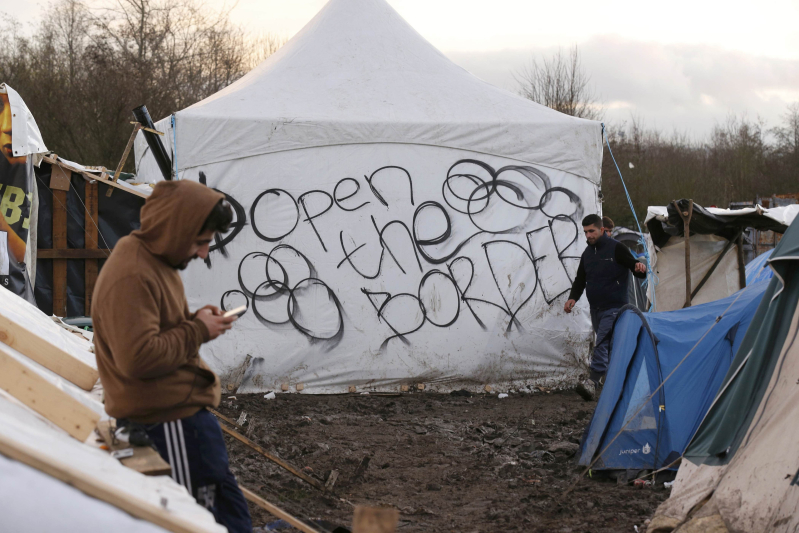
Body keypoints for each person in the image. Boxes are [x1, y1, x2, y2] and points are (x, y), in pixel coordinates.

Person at [92, 180, 252, 532]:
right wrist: (197, 331)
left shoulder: (156, 261)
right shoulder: (133, 273)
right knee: (201, 523)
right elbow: (139, 358)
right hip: (168, 426)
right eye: (200, 242)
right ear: (176, 229)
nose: (203, 254)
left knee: (231, 520)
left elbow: (155, 333)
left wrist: (195, 322)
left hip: (178, 422)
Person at [564, 214, 647, 401]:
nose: (588, 235)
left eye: (591, 231)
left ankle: (592, 382)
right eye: (585, 232)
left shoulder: (617, 248)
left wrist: (639, 268)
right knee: (610, 346)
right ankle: (620, 383)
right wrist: (573, 298)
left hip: (615, 307)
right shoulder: (587, 254)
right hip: (596, 308)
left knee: (601, 342)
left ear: (602, 230)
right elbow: (580, 279)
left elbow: (634, 265)